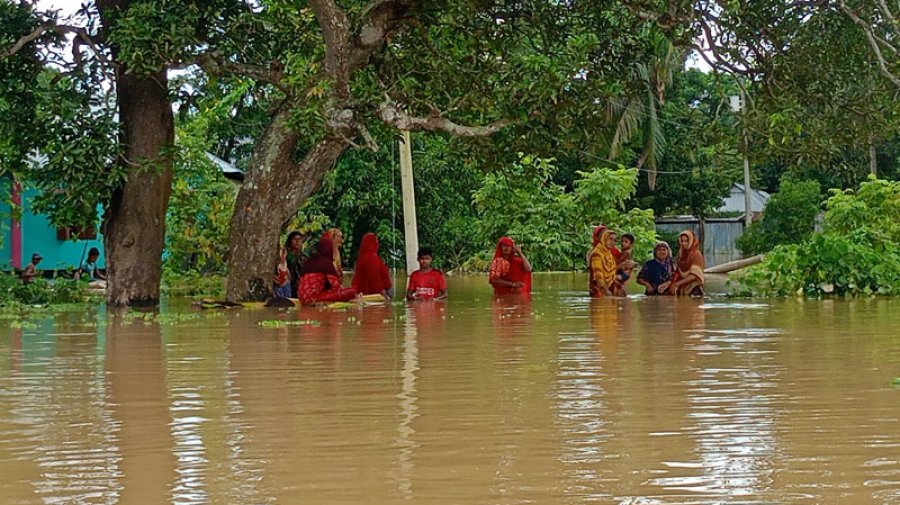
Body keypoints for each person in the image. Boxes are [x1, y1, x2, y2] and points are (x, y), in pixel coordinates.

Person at [297, 237, 357, 305]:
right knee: (351, 292)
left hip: (301, 298)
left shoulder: (309, 261)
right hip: (314, 298)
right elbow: (336, 286)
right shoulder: (326, 263)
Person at [351, 232, 393, 299]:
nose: (377, 244)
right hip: (377, 294)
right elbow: (375, 278)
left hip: (366, 293)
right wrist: (383, 293)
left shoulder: (362, 258)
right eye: (375, 242)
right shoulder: (370, 258)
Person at [669, 230, 705, 296]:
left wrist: (677, 284)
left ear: (691, 241)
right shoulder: (681, 255)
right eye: (682, 241)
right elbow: (678, 272)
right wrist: (670, 283)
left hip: (694, 288)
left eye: (686, 241)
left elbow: (695, 275)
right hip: (682, 287)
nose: (683, 243)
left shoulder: (696, 254)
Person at [588, 228, 618, 297]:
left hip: (608, 289)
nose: (613, 242)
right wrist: (606, 290)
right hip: (599, 291)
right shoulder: (597, 253)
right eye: (610, 239)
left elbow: (612, 273)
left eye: (614, 240)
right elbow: (598, 276)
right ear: (604, 239)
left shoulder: (609, 254)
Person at [285, 231, 307, 297]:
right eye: (294, 239)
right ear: (290, 241)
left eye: (299, 239)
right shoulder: (285, 255)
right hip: (289, 285)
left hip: (302, 285)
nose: (297, 241)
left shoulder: (305, 256)